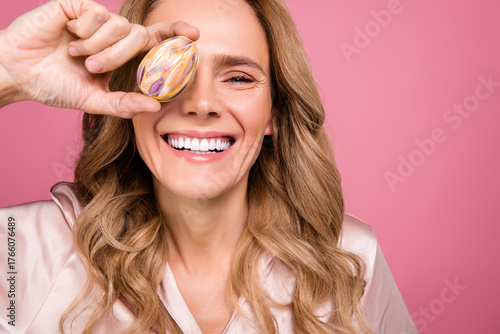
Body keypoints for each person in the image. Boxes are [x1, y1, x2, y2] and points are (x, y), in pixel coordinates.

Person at [0, 0, 418, 333]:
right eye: (169, 71)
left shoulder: (349, 259)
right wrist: (8, 73)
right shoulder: (22, 250)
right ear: (126, 97)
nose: (201, 106)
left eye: (238, 78)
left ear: (274, 112)